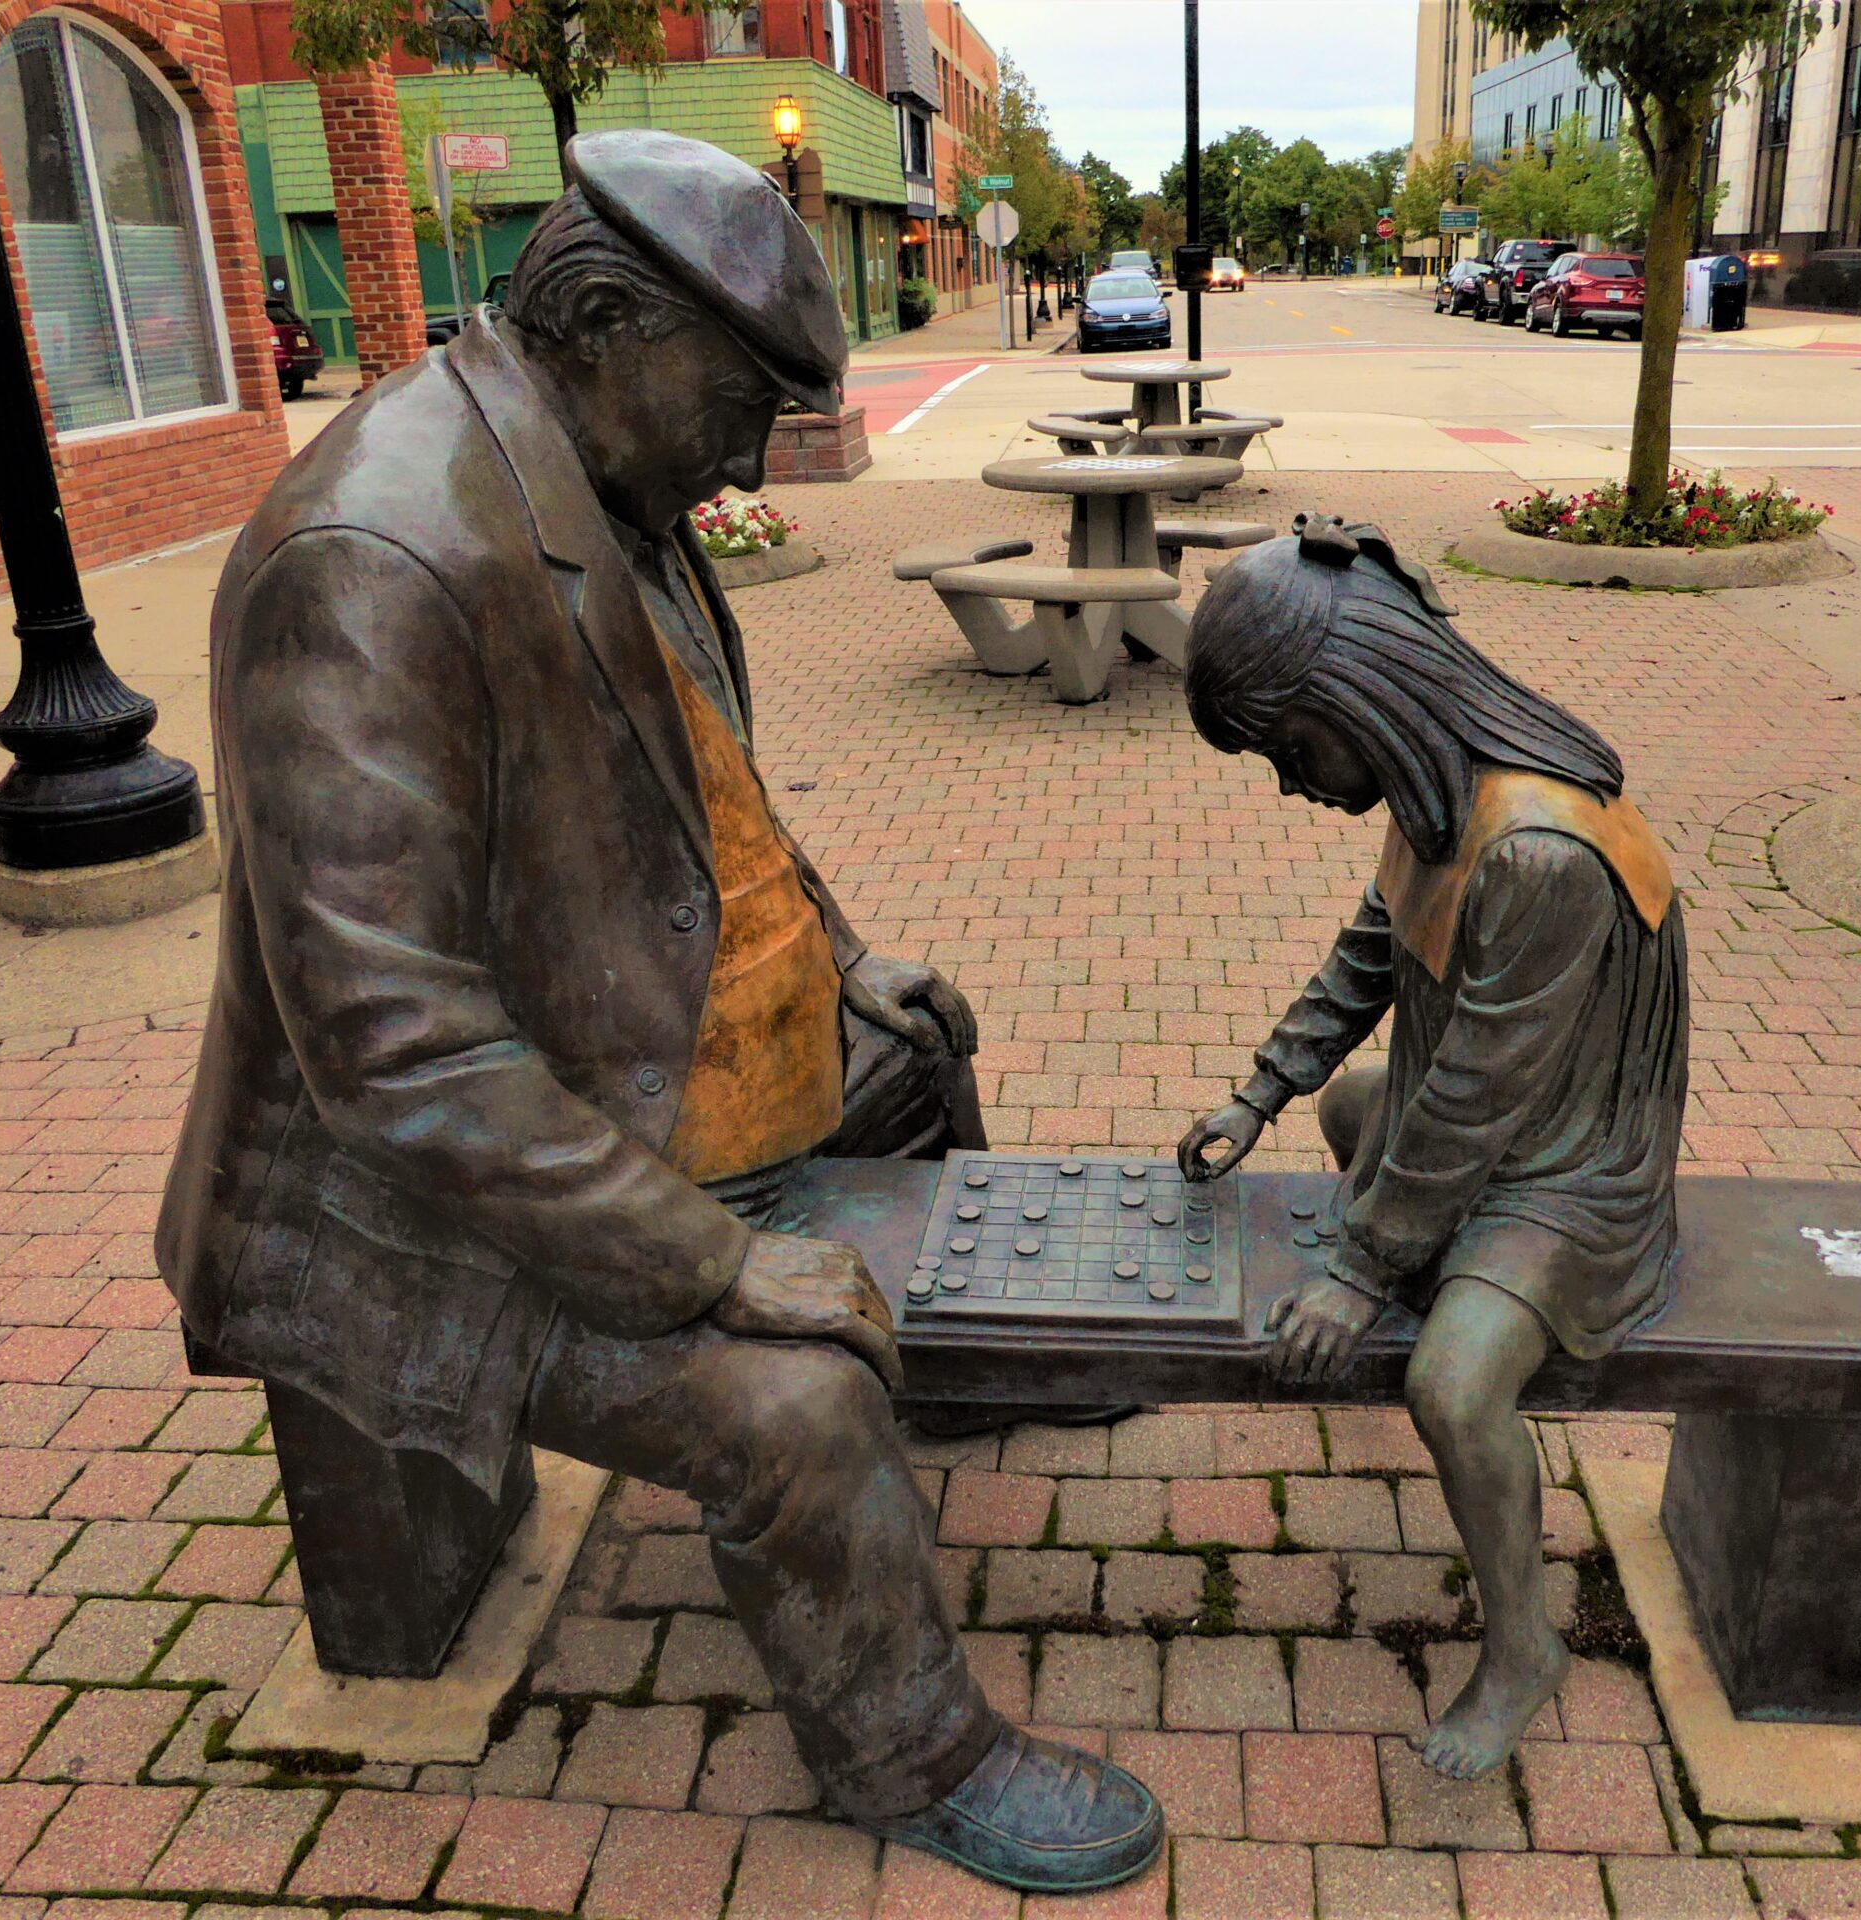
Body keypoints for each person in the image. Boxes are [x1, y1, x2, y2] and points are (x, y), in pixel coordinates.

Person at [157, 130, 1161, 1896]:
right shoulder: (375, 559)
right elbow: (394, 1049)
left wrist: (845, 968)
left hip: (630, 1067)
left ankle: (959, 1374)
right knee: (794, 1412)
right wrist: (712, 1266)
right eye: (741, 400)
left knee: (920, 1059)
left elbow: (712, 813)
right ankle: (910, 1750)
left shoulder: (605, 493)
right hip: (422, 1207)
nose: (755, 454)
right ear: (609, 320)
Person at [1174, 516, 1689, 1781]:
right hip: (1481, 1126)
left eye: (1293, 749)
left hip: (1569, 1172)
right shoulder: (1439, 789)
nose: (1293, 782)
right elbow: (1370, 954)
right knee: (1357, 1114)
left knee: (1450, 1387)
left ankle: (1523, 1647)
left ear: (1364, 699)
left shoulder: (1534, 849)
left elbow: (1473, 1095)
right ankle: (1410, 1246)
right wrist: (1262, 1091)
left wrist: (1357, 1271)